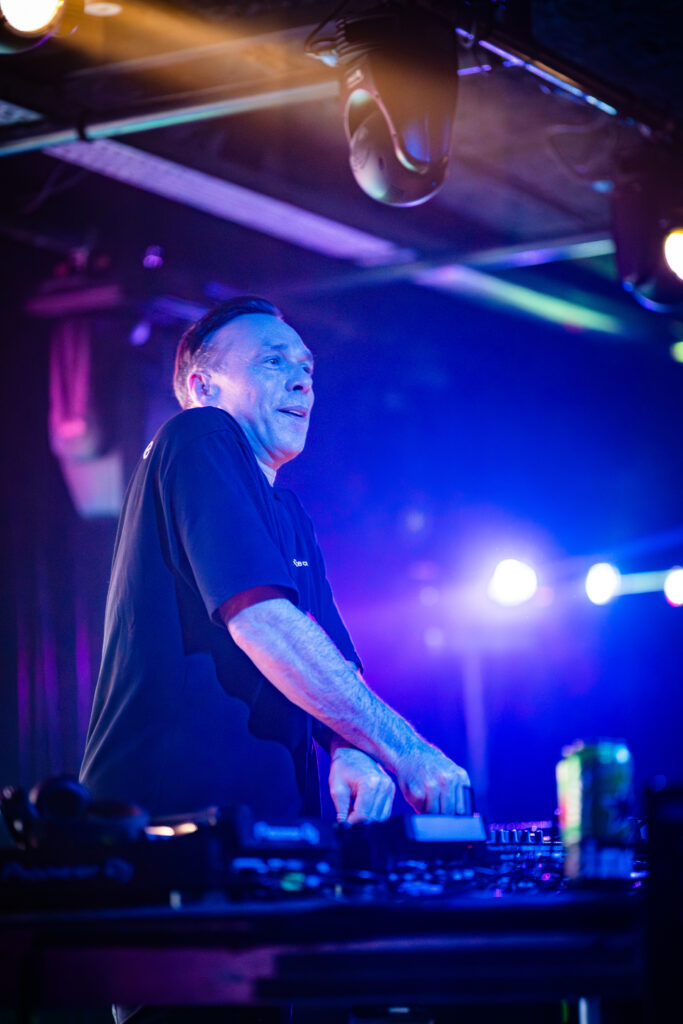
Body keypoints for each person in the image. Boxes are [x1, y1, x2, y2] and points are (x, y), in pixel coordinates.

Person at [80, 296, 470, 833]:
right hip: (162, 827)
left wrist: (348, 747)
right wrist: (407, 751)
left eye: (307, 368)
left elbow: (330, 655)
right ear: (203, 387)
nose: (303, 382)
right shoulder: (197, 433)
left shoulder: (289, 512)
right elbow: (262, 621)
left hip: (263, 834)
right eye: (273, 361)